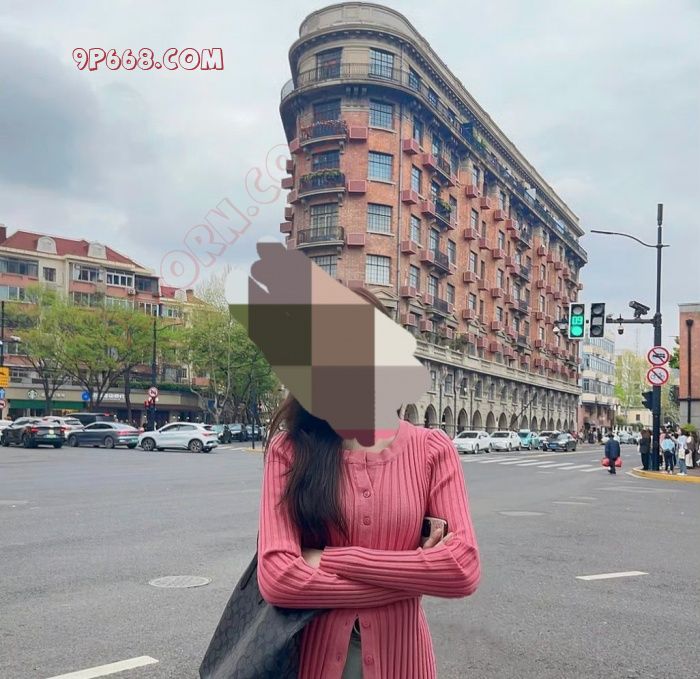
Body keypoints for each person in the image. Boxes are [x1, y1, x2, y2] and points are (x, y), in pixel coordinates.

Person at [236, 243, 481, 679]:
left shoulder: (432, 449)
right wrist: (409, 578)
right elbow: (277, 578)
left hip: (405, 666)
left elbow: (461, 570)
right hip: (311, 665)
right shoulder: (289, 450)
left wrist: (327, 559)